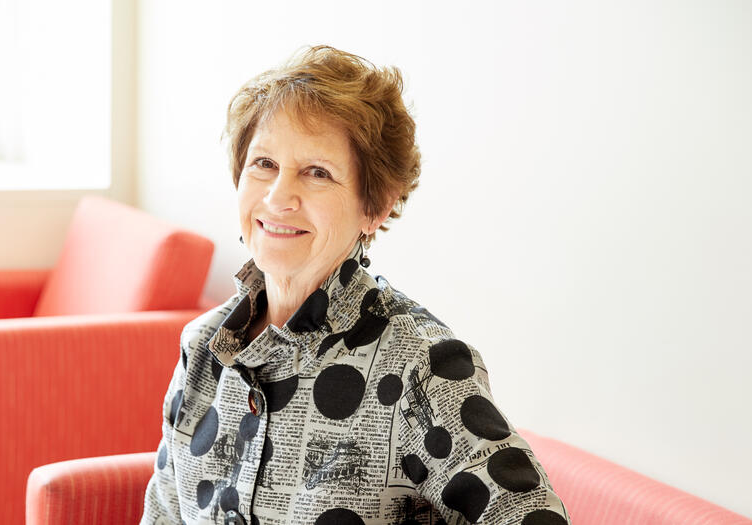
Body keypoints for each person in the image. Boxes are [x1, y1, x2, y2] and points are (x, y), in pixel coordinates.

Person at [141, 45, 569, 525]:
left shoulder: (419, 367)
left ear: (376, 206)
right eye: (264, 164)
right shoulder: (204, 348)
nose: (279, 196)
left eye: (317, 173)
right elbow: (163, 515)